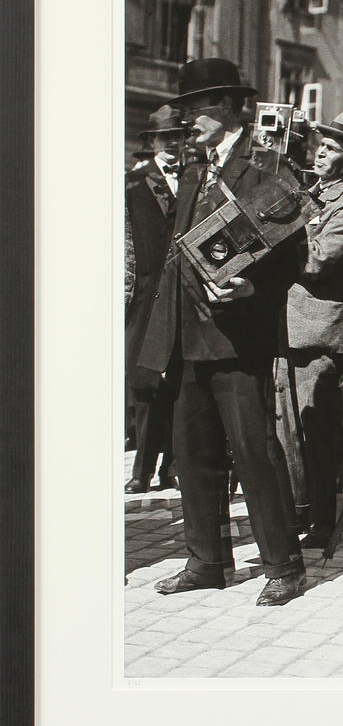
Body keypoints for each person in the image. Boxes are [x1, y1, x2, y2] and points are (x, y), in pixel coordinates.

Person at [137, 58, 308, 606]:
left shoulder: (267, 167)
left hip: (238, 333)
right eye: (187, 108)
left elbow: (293, 254)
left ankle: (285, 564)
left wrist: (252, 291)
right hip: (187, 330)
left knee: (252, 449)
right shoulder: (193, 168)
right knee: (193, 452)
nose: (192, 118)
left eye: (202, 106)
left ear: (234, 108)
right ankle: (207, 561)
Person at [278, 112, 343, 548]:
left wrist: (279, 235)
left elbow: (318, 261)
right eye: (321, 143)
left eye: (334, 148)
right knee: (288, 427)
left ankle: (322, 517)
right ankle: (299, 509)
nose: (321, 151)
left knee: (316, 428)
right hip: (289, 323)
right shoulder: (313, 192)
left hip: (317, 326)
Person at [124, 104, 187, 494]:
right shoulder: (133, 184)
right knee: (145, 380)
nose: (174, 145)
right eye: (166, 138)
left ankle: (173, 467)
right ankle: (142, 469)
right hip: (146, 295)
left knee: (183, 379)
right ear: (152, 143)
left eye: (179, 137)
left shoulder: (197, 178)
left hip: (184, 291)